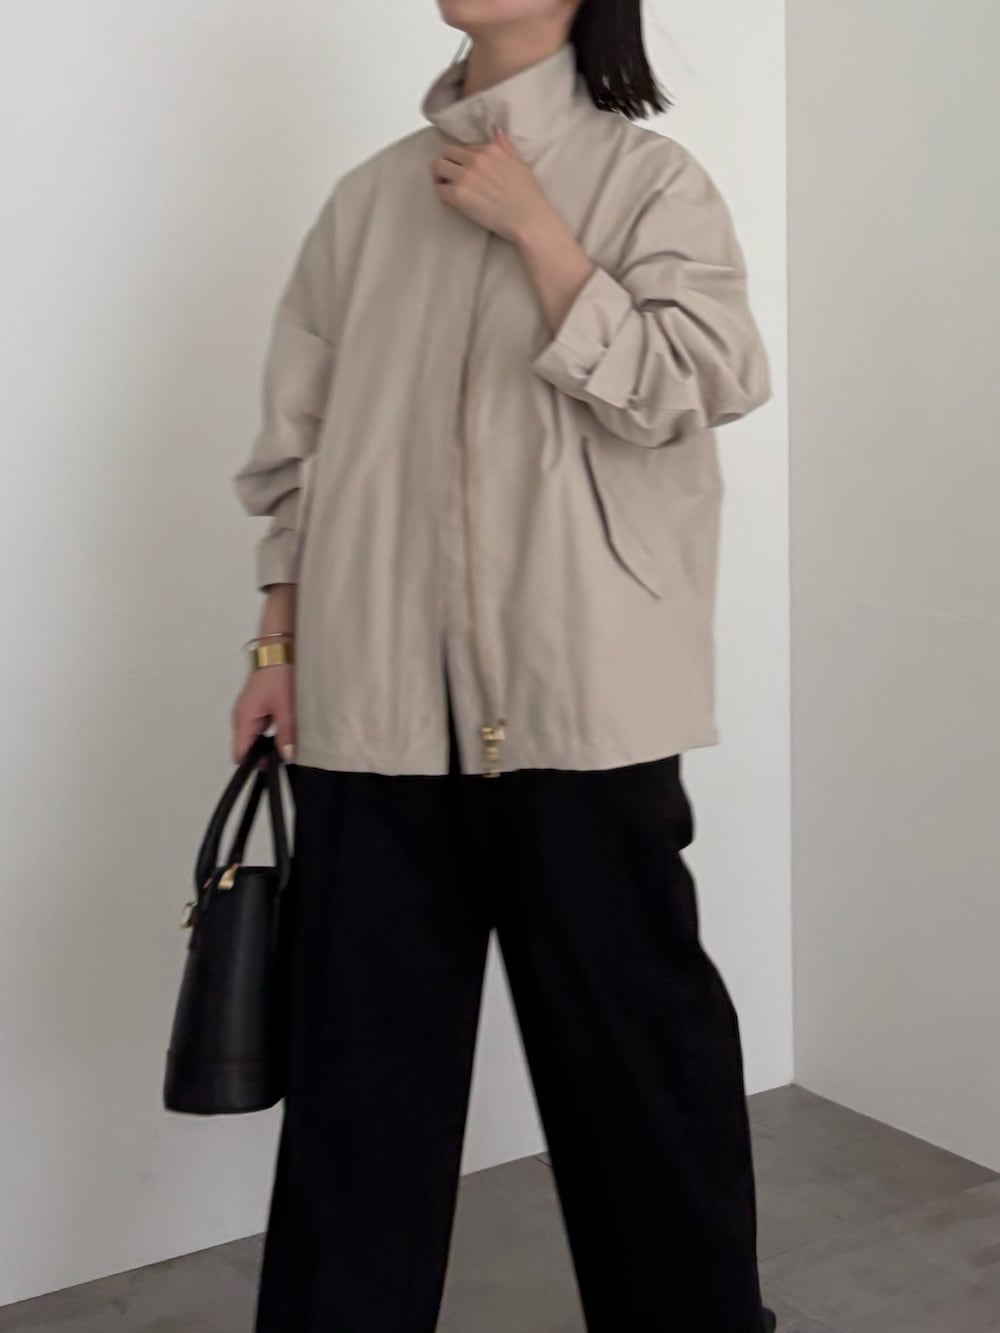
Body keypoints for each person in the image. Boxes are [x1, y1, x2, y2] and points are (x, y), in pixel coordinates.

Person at [230, 1, 775, 1330]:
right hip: (375, 698)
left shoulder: (648, 181)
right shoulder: (369, 202)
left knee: (639, 1068)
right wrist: (276, 640)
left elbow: (699, 381)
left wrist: (540, 232)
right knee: (359, 1081)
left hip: (581, 699)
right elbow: (299, 446)